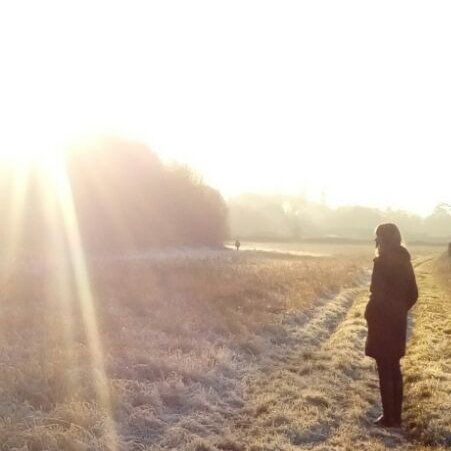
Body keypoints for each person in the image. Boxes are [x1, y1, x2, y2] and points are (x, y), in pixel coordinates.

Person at [364, 223, 418, 428]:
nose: (375, 241)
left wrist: (374, 313)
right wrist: (399, 311)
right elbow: (413, 294)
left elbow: (377, 294)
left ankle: (389, 418)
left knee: (384, 369)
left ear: (383, 239)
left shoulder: (382, 262)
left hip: (382, 322)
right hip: (397, 322)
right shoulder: (406, 261)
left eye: (377, 237)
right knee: (394, 367)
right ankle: (395, 417)